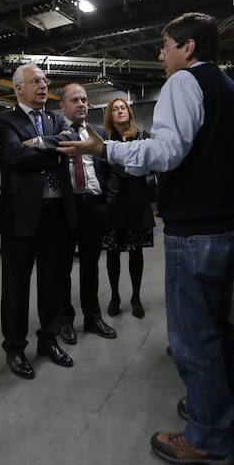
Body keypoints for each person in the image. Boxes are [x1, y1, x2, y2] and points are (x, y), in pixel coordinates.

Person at [58, 12, 234, 465]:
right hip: (230, 228)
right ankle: (224, 414)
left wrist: (103, 149)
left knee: (193, 338)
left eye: (165, 45)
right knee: (220, 329)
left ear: (188, 48)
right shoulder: (233, 91)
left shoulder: (185, 83)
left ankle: (209, 438)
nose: (160, 55)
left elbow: (165, 152)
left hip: (197, 233)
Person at [0, 63, 78, 379]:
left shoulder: (57, 119)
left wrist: (41, 143)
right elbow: (13, 157)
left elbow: (71, 142)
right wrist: (55, 149)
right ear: (19, 88)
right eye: (37, 81)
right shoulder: (4, 121)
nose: (44, 86)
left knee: (52, 282)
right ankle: (14, 348)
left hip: (56, 214)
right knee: (15, 287)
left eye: (45, 80)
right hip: (21, 217)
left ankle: (48, 340)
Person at [57, 83, 117, 345]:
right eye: (75, 100)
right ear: (63, 106)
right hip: (67, 208)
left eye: (84, 100)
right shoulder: (55, 133)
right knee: (63, 268)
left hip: (94, 205)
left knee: (91, 265)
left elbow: (112, 168)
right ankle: (65, 321)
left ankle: (92, 317)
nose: (81, 104)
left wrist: (108, 201)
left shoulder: (100, 132)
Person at [101, 97, 156, 320]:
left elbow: (151, 167)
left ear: (129, 112)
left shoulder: (143, 136)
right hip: (113, 204)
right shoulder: (104, 139)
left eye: (123, 107)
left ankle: (136, 297)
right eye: (115, 109)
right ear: (110, 115)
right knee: (112, 253)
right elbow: (102, 170)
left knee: (136, 252)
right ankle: (115, 296)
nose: (120, 111)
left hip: (137, 201)